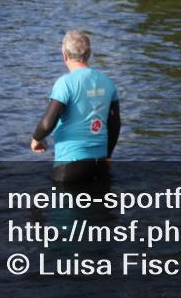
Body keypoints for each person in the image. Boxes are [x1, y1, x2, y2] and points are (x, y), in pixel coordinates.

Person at [31, 30, 120, 183]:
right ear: (89, 53)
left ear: (64, 55)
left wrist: (36, 139)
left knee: (65, 206)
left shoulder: (65, 83)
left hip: (70, 165)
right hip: (99, 165)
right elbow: (115, 124)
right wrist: (108, 156)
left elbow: (47, 123)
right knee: (98, 206)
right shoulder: (108, 82)